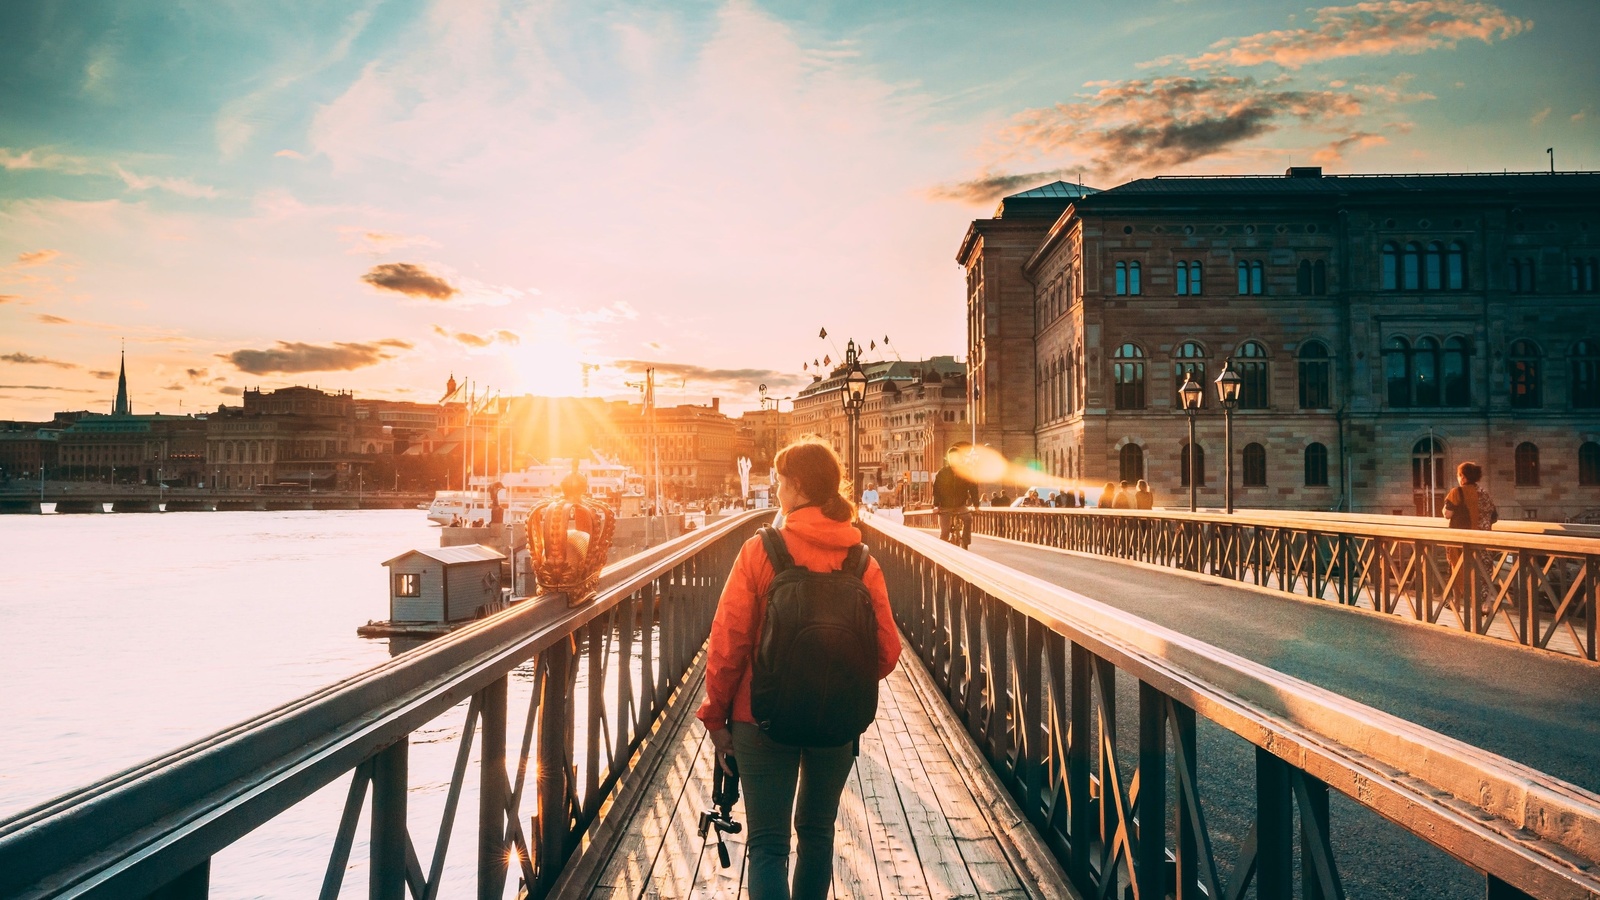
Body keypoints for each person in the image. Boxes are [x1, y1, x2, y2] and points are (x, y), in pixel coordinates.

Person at [698, 439, 900, 900]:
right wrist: (837, 679)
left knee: (768, 845)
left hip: (760, 717)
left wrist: (716, 717)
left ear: (798, 487)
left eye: (779, 480)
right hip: (836, 722)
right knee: (818, 835)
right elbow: (886, 652)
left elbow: (729, 642)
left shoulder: (761, 551)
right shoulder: (862, 561)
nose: (775, 488)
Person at [933, 443, 980, 543]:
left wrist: (976, 505)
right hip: (945, 506)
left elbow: (973, 488)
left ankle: (965, 541)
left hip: (960, 505)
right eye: (951, 458)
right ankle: (942, 552)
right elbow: (937, 490)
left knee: (968, 519)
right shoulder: (942, 473)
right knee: (944, 532)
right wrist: (936, 505)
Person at [1442, 461, 1498, 531]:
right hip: (1484, 537)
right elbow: (1494, 517)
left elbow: (1447, 514)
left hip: (1465, 536)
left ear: (1462, 476)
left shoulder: (1457, 492)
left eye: (1458, 475)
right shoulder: (1484, 493)